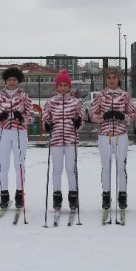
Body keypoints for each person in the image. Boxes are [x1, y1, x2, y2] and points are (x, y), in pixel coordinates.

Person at [90, 68, 136, 211]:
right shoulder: (100, 96)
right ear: (106, 80)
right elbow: (92, 115)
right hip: (105, 135)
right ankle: (106, 195)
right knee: (106, 166)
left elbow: (134, 113)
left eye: (114, 77)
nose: (111, 80)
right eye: (109, 77)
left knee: (121, 166)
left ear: (118, 79)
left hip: (121, 134)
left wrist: (124, 117)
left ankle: (122, 195)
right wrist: (103, 117)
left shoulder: (125, 95)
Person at [0, 67, 34, 210]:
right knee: (4, 165)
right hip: (3, 132)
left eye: (14, 79)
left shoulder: (24, 96)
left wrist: (23, 119)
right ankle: (4, 194)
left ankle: (19, 194)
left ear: (18, 81)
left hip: (19, 132)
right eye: (9, 79)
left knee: (19, 164)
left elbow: (31, 116)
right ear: (5, 80)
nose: (12, 82)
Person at [42, 69, 85, 211]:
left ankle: (73, 196)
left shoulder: (76, 102)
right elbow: (45, 119)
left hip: (71, 140)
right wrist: (47, 126)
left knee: (71, 170)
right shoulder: (50, 102)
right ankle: (57, 196)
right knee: (57, 170)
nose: (63, 88)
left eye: (65, 85)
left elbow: (82, 119)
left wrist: (78, 124)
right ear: (56, 87)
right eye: (60, 85)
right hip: (56, 141)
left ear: (69, 86)